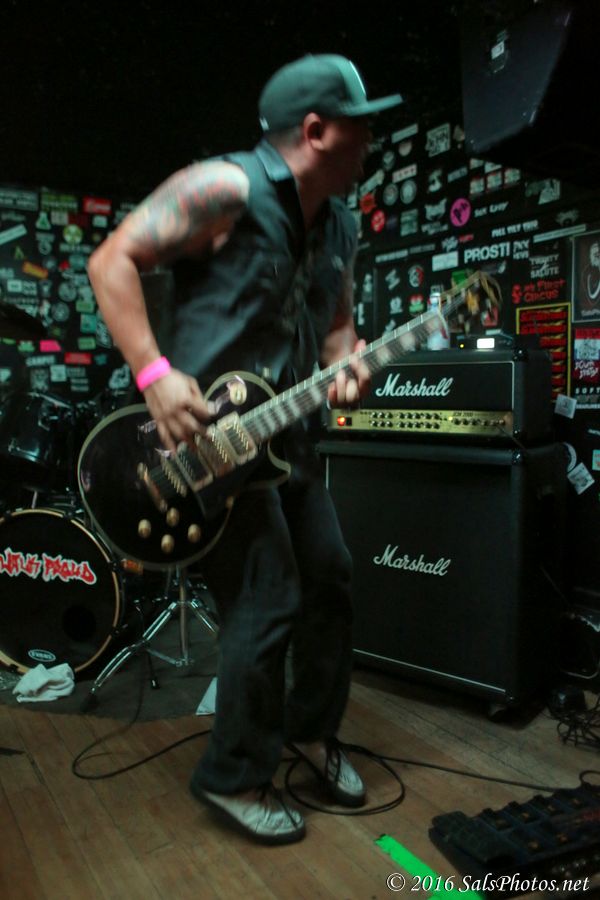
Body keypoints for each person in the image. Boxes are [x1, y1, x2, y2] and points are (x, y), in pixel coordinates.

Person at [87, 53, 402, 845]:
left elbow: (338, 331)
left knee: (331, 577)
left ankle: (310, 732)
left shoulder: (339, 225)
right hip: (204, 452)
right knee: (269, 598)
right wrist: (155, 373)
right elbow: (111, 260)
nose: (371, 140)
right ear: (316, 129)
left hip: (288, 439)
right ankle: (234, 774)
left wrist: (349, 367)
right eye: (360, 125)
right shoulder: (225, 187)